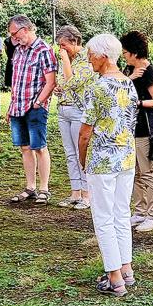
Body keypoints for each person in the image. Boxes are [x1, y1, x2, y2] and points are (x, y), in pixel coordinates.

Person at [78, 33, 139, 297]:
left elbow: (84, 132)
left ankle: (115, 277)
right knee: (121, 214)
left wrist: (83, 159)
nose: (89, 59)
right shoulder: (129, 84)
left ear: (103, 56)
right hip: (126, 156)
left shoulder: (98, 87)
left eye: (91, 54)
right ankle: (126, 268)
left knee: (103, 218)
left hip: (103, 159)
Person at [6, 15, 57, 205]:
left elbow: (51, 82)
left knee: (39, 147)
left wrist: (38, 103)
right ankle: (30, 187)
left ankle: (44, 188)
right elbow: (15, 81)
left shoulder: (44, 50)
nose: (14, 38)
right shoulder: (18, 51)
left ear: (25, 29)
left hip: (35, 107)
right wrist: (11, 107)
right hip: (17, 107)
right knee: (24, 148)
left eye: (15, 34)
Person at [120, 31, 153, 232]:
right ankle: (139, 212)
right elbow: (119, 90)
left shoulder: (149, 72)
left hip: (145, 129)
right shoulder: (129, 70)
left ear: (134, 52)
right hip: (130, 128)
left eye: (125, 52)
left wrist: (137, 103)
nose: (123, 55)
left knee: (148, 172)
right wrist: (129, 78)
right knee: (135, 172)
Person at [54, 25, 96, 209]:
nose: (61, 49)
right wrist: (58, 88)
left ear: (74, 41)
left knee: (81, 153)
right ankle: (75, 192)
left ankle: (87, 195)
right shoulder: (66, 59)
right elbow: (62, 81)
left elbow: (72, 81)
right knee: (70, 154)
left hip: (79, 110)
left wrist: (65, 61)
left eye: (63, 45)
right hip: (63, 109)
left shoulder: (87, 59)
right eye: (59, 46)